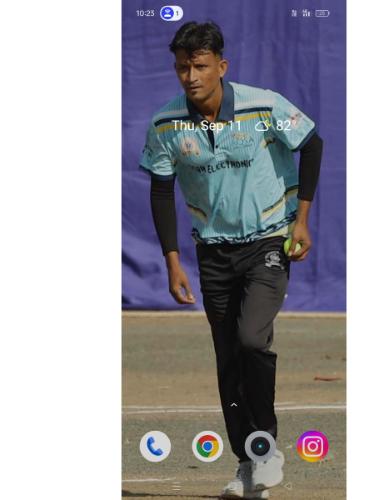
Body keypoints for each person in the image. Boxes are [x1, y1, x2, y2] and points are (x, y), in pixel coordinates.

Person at [140, 21, 323, 500]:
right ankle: (248, 465)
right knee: (228, 358)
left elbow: (311, 143)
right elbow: (161, 191)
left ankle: (267, 450)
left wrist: (301, 221)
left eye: (200, 66)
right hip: (212, 252)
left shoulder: (264, 107)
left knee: (251, 339)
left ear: (221, 66)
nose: (191, 77)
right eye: (182, 67)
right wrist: (173, 262)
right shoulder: (166, 124)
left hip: (268, 242)